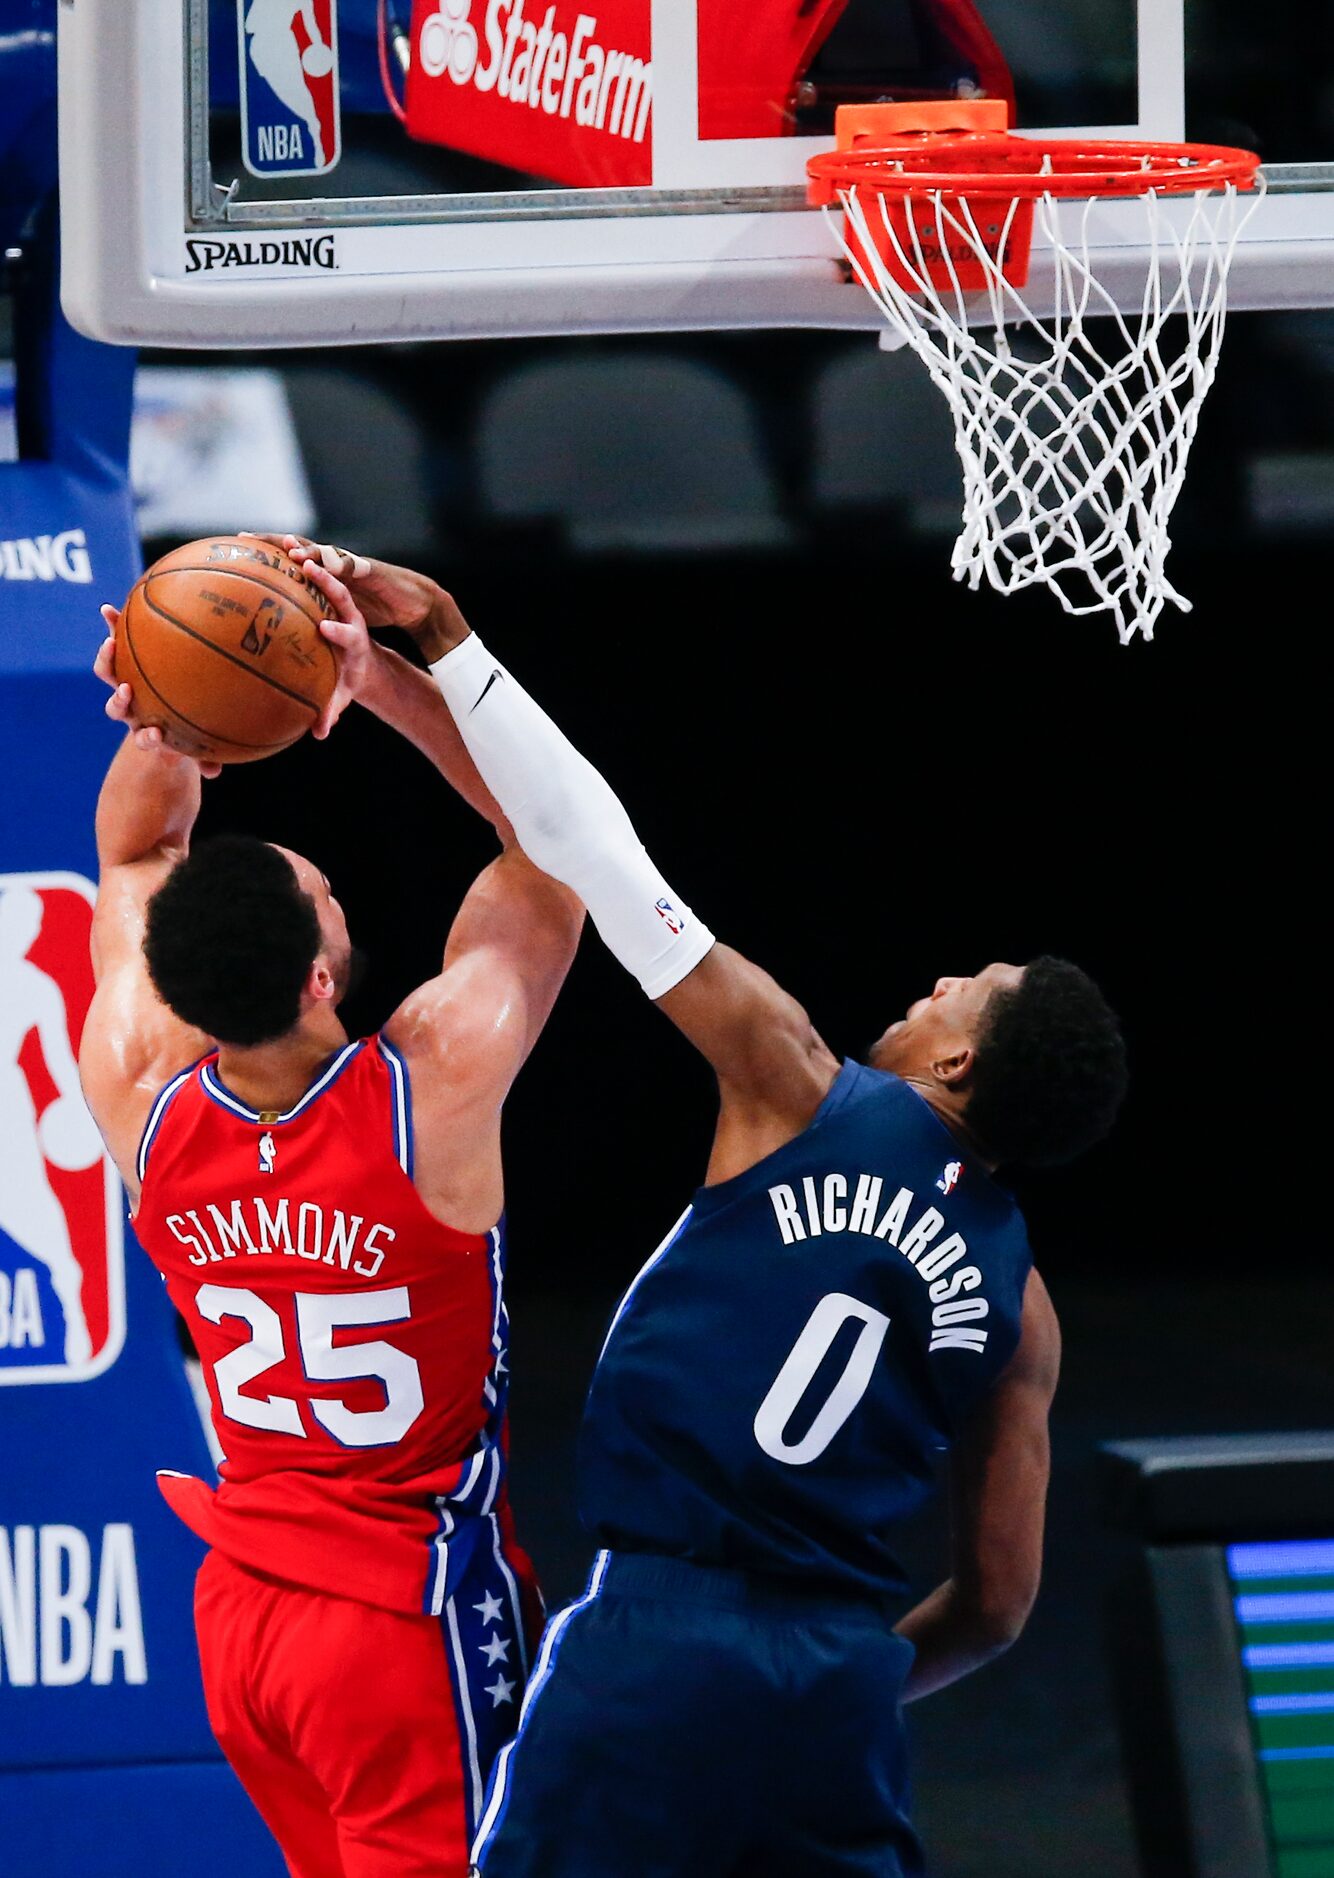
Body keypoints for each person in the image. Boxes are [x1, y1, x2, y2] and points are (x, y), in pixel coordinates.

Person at [280, 544, 1128, 1878]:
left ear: (962, 1062)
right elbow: (999, 1606)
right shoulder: (1026, 1317)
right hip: (837, 1689)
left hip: (655, 1639)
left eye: (973, 985)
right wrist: (830, 1678)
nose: (944, 977)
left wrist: (442, 638)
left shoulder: (796, 1081)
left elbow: (588, 846)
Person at [78, 539, 583, 1878]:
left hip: (241, 1612)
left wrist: (162, 705)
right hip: (397, 1617)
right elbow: (558, 837)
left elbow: (138, 843)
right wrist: (373, 682)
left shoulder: (140, 1088)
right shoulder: (437, 1078)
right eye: (327, 893)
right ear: (321, 977)